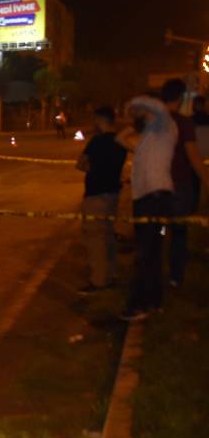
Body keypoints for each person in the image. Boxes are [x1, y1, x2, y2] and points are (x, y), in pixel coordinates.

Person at [118, 93, 178, 321]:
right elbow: (120, 139)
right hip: (144, 199)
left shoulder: (165, 127)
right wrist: (133, 120)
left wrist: (133, 103)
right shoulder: (147, 136)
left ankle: (139, 304)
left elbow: (160, 107)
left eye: (143, 112)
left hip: (156, 198)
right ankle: (154, 301)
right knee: (150, 253)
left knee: (145, 254)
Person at [159, 79, 206, 289]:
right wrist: (207, 180)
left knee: (158, 229)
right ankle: (175, 276)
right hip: (179, 187)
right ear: (180, 98)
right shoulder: (183, 123)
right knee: (178, 232)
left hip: (157, 187)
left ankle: (156, 271)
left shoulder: (154, 121)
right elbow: (193, 157)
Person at [75, 106, 127, 294]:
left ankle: (98, 281)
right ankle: (111, 275)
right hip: (113, 192)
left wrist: (91, 168)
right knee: (108, 235)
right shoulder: (121, 142)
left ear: (99, 119)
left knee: (95, 238)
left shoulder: (97, 142)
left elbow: (80, 164)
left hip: (95, 194)